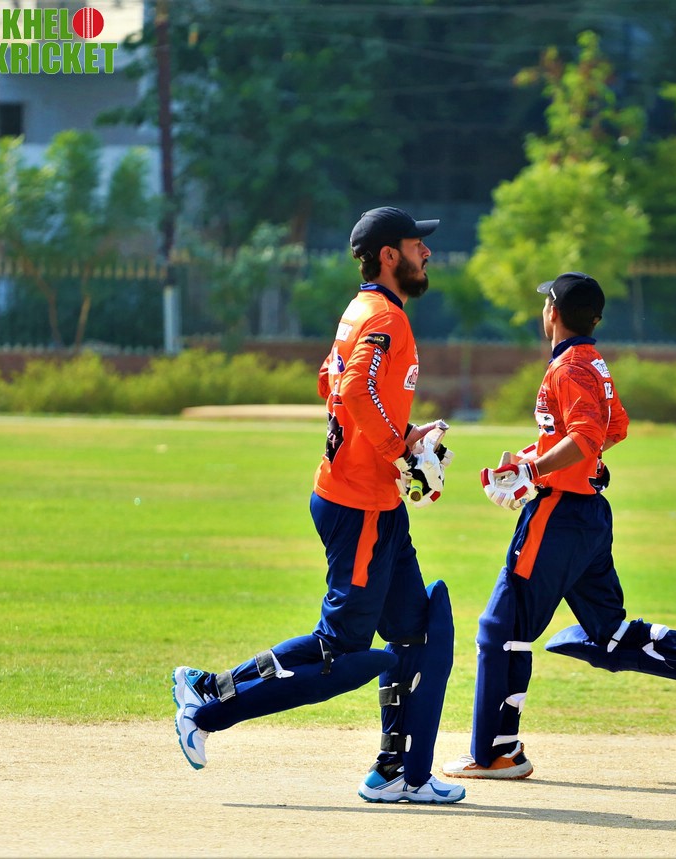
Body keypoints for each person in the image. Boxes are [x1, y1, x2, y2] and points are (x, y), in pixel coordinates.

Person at [171, 206, 465, 804]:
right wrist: (396, 450)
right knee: (340, 650)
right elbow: (352, 388)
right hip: (359, 507)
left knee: (416, 630)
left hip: (372, 504)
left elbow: (328, 381)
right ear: (389, 255)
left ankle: (396, 771)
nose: (426, 253)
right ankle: (207, 704)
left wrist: (403, 441)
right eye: (417, 245)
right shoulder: (384, 316)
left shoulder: (360, 310)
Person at [442, 272, 676, 780]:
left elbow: (589, 435)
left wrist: (534, 471)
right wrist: (539, 459)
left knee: (501, 630)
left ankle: (497, 753)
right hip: (586, 514)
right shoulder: (591, 362)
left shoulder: (568, 367)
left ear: (552, 312)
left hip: (559, 515)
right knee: (608, 634)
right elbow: (614, 428)